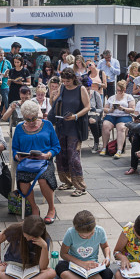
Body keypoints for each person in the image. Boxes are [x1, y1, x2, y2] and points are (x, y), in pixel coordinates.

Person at [11, 100, 60, 224]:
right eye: (27, 120)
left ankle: (51, 209)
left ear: (38, 114)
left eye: (33, 118)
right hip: (26, 163)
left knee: (44, 179)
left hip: (44, 162)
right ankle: (34, 208)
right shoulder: (19, 128)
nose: (31, 122)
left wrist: (48, 154)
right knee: (22, 180)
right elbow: (15, 149)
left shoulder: (47, 125)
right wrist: (18, 157)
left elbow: (56, 147)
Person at [49, 68, 91, 196]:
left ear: (73, 78)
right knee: (61, 157)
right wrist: (53, 97)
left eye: (68, 81)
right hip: (61, 126)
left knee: (73, 157)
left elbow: (88, 106)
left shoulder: (81, 89)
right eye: (64, 81)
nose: (66, 83)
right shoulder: (62, 88)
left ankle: (80, 186)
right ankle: (67, 182)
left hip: (75, 127)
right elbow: (54, 105)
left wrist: (76, 116)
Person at [0, 215, 55, 279]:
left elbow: (43, 267)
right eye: (27, 235)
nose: (28, 239)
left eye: (33, 238)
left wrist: (44, 247)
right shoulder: (15, 229)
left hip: (32, 268)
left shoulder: (44, 239)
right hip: (12, 264)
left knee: (51, 273)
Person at [54, 210, 115, 279]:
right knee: (60, 268)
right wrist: (82, 264)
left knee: (108, 275)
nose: (88, 237)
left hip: (93, 267)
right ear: (76, 229)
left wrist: (107, 257)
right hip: (74, 265)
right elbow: (63, 254)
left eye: (91, 234)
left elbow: (105, 247)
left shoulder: (100, 231)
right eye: (83, 236)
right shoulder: (71, 233)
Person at [100, 79, 135, 160]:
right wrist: (110, 110)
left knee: (121, 128)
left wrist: (123, 108)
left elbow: (133, 109)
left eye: (121, 90)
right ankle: (104, 147)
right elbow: (105, 109)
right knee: (105, 125)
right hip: (112, 115)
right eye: (118, 90)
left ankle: (119, 150)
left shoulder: (129, 97)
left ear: (124, 90)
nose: (119, 92)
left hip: (124, 115)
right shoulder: (112, 97)